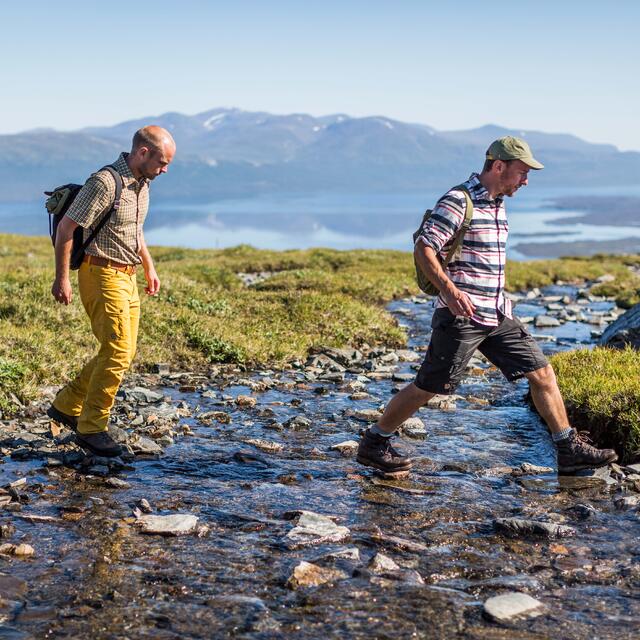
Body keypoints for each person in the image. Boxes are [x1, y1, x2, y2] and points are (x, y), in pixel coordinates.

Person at [356, 136, 618, 476]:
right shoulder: (458, 200)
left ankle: (568, 450)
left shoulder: (497, 203)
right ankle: (375, 442)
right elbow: (425, 247)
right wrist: (449, 292)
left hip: (497, 313)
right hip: (461, 316)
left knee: (543, 374)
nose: (525, 181)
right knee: (429, 386)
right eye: (522, 173)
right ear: (498, 166)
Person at [48, 126, 176, 457]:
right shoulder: (104, 183)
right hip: (100, 273)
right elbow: (66, 228)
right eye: (162, 163)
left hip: (127, 275)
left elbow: (135, 230)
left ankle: (67, 404)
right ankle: (92, 428)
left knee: (121, 350)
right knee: (117, 350)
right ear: (143, 153)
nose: (164, 170)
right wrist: (61, 278)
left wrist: (149, 266)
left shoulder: (142, 184)